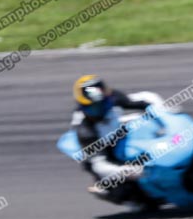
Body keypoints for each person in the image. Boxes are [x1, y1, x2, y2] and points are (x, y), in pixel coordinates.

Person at [70, 74, 164, 208]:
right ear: (83, 107)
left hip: (118, 133)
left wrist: (165, 111)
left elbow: (145, 99)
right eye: (94, 108)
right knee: (119, 186)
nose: (100, 110)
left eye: (104, 104)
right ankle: (119, 194)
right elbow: (99, 165)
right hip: (100, 151)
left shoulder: (111, 97)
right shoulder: (85, 131)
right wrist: (128, 171)